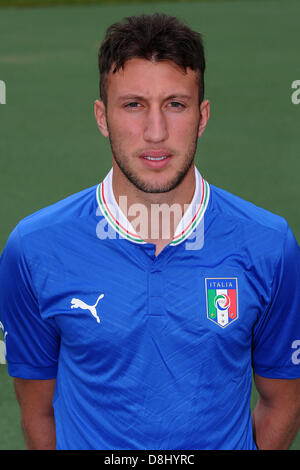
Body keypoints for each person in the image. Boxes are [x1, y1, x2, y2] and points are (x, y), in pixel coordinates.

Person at [0, 13, 300, 451]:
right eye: (133, 105)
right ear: (102, 117)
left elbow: (283, 402)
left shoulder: (270, 246)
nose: (155, 132)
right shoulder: (34, 249)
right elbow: (37, 411)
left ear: (202, 115)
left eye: (175, 104)